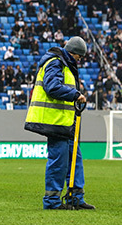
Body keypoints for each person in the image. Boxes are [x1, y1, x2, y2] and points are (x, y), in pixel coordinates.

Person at [24, 36, 95, 210]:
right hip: (54, 122)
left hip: (66, 122)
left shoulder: (64, 64)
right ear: (74, 53)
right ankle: (52, 201)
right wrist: (75, 95)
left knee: (74, 159)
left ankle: (75, 197)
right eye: (80, 56)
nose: (80, 60)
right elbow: (52, 87)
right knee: (59, 160)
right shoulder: (55, 62)